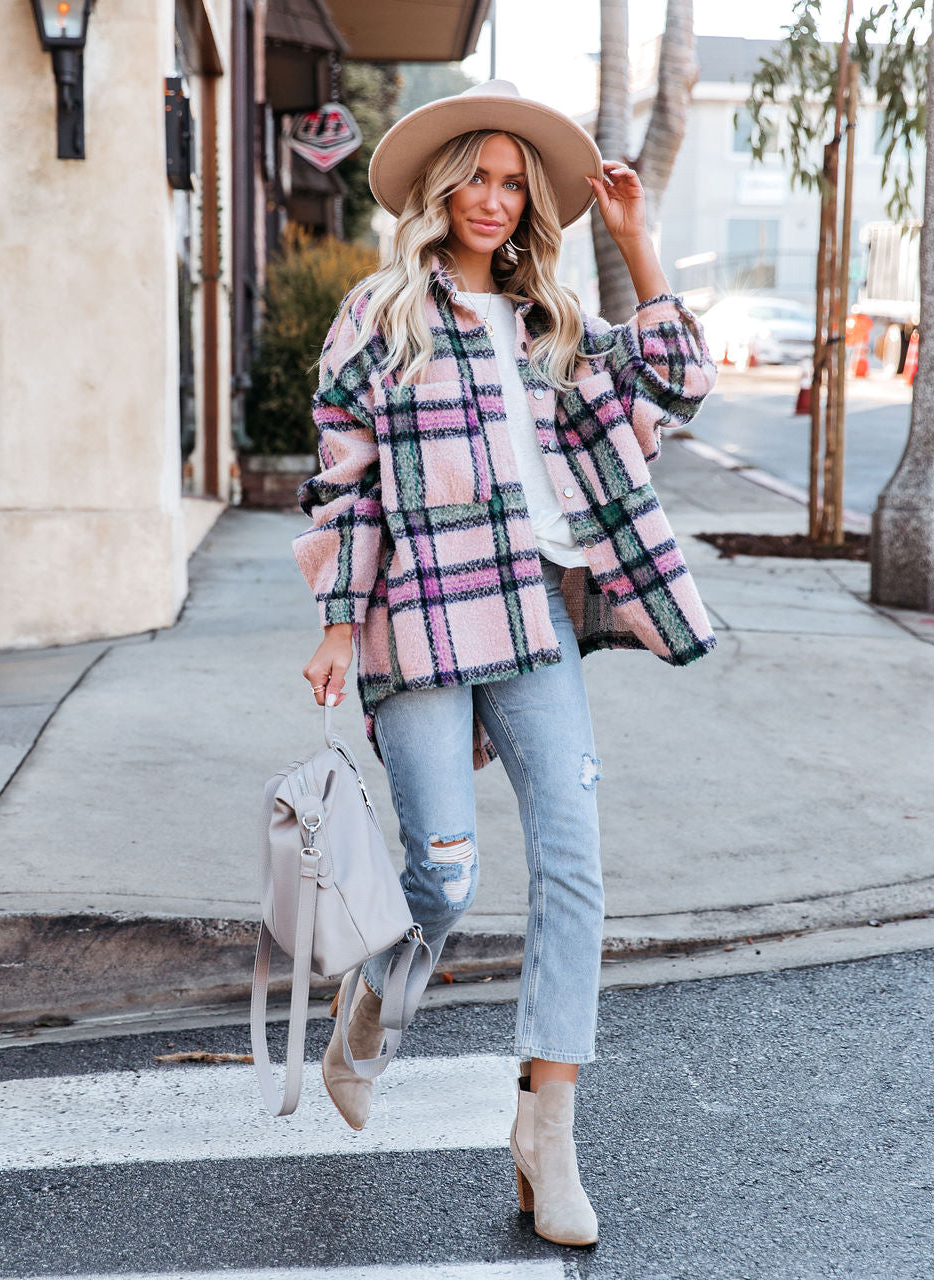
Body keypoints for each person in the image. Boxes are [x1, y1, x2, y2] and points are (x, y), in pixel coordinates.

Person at [292, 80, 717, 1248]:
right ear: (441, 191)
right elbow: (342, 478)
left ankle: (547, 1130)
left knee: (574, 861)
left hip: (534, 612)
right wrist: (337, 619)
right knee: (444, 877)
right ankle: (376, 993)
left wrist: (636, 238)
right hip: (420, 615)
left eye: (513, 183)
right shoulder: (380, 313)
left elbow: (679, 381)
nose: (492, 199)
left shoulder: (550, 320)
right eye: (475, 177)